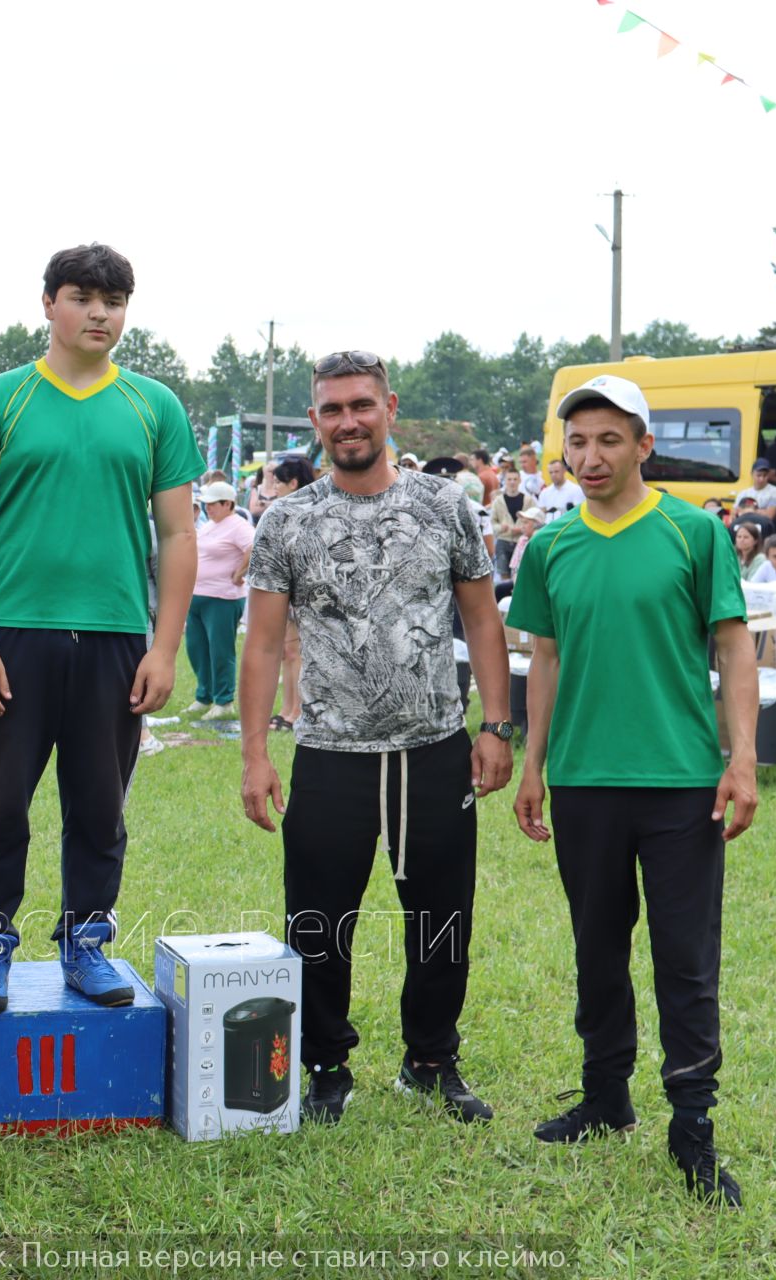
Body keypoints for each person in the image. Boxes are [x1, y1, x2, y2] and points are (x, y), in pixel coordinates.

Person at [239, 349, 514, 1127]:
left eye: (361, 405)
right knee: (318, 920)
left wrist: (494, 726)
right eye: (331, 409)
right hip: (330, 753)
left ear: (390, 408)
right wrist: (257, 755)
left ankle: (431, 1059)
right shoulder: (288, 520)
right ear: (316, 420)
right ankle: (326, 1063)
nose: (348, 421)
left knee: (442, 916)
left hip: (433, 747)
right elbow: (261, 643)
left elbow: (481, 617)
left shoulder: (446, 505)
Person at [510, 372, 756, 1209]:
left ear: (644, 446)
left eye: (610, 440)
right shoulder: (549, 547)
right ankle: (605, 1095)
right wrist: (533, 762)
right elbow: (542, 658)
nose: (591, 456)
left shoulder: (694, 534)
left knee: (685, 962)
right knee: (597, 952)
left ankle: (692, 1127)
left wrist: (744, 758)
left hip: (681, 783)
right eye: (577, 442)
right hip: (582, 783)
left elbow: (733, 647)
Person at [0, 243, 199, 1012]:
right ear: (49, 303)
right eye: (83, 297)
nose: (100, 313)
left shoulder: (154, 406)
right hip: (13, 637)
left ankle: (86, 945)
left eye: (114, 300)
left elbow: (179, 536)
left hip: (117, 641)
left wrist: (164, 647)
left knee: (100, 807)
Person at [183, 480, 253, 720]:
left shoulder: (238, 525)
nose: (208, 508)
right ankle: (204, 695)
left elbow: (253, 546)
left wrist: (239, 572)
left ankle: (224, 700)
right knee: (196, 648)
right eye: (206, 504)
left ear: (227, 503)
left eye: (213, 504)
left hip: (223, 597)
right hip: (198, 595)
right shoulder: (209, 526)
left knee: (220, 650)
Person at [261, 456, 315, 731]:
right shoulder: (286, 509)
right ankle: (286, 707)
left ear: (293, 483)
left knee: (295, 654)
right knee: (287, 653)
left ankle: (296, 710)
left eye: (280, 482)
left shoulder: (306, 511)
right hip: (287, 589)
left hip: (301, 592)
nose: (276, 487)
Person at [735, 460, 776, 528]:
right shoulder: (743, 493)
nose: (761, 479)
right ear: (752, 474)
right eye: (758, 475)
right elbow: (734, 513)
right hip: (743, 528)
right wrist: (760, 511)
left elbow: (769, 516)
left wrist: (746, 511)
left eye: (765, 475)